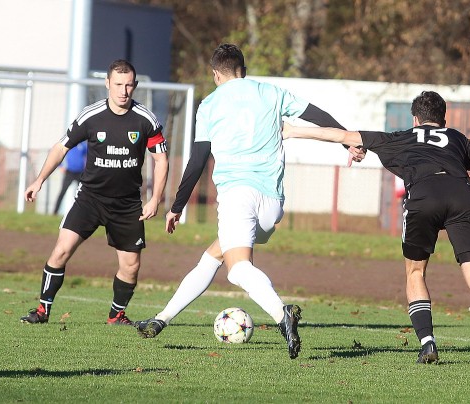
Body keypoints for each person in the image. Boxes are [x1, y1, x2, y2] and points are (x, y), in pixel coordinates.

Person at [282, 91, 470, 369]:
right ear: (443, 120)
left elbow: (339, 135)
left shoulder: (401, 138)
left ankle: (428, 343)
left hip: (423, 197)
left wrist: (293, 131)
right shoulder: (458, 140)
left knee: (415, 272)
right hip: (460, 196)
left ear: (415, 119)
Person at [134, 43, 364, 360]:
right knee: (213, 255)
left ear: (216, 74)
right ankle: (162, 319)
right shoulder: (271, 92)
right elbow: (317, 115)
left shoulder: (209, 105)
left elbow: (198, 159)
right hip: (272, 203)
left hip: (237, 196)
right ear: (243, 70)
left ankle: (282, 314)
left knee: (238, 269)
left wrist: (177, 206)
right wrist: (347, 142)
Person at [20, 59, 169, 326]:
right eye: (118, 84)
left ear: (135, 85)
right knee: (61, 250)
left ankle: (116, 316)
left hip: (127, 204)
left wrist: (156, 198)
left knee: (131, 266)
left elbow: (161, 159)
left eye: (129, 85)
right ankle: (42, 310)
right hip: (90, 198)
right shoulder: (91, 115)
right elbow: (61, 147)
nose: (124, 91)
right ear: (107, 83)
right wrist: (39, 180)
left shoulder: (146, 119)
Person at [53, 141, 87, 215]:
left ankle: (83, 213)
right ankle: (55, 212)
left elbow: (89, 156)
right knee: (63, 192)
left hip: (80, 173)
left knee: (83, 193)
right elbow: (59, 153)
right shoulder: (70, 143)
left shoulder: (83, 145)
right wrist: (60, 166)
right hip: (70, 172)